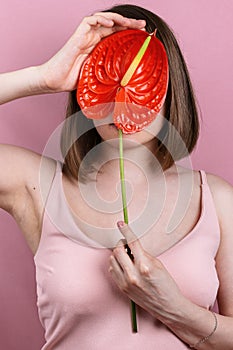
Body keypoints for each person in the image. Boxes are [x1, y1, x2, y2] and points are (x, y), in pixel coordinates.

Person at [0, 3, 233, 349]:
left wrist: (173, 308)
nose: (122, 104)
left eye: (140, 80)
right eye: (107, 78)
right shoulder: (37, 186)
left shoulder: (214, 199)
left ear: (170, 90)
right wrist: (43, 77)